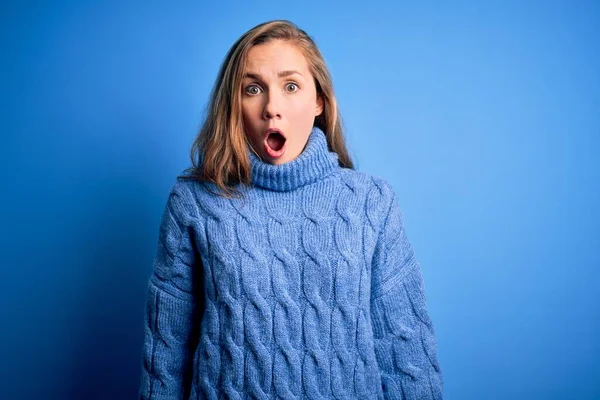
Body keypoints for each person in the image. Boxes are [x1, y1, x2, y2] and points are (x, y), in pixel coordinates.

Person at [138, 19, 443, 400]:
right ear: (233, 105)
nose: (271, 108)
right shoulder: (196, 201)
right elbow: (166, 351)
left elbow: (405, 350)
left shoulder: (370, 203)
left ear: (319, 101)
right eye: (253, 89)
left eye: (291, 86)